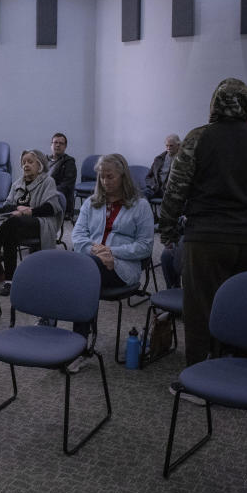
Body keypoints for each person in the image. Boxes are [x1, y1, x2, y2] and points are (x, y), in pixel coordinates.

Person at [159, 78, 247, 376]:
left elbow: (175, 190)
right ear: (246, 106)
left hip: (207, 239)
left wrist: (167, 229)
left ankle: (200, 376)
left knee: (201, 306)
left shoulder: (198, 138)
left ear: (214, 104)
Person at [70, 154, 154, 369]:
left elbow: (145, 247)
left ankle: (79, 345)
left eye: (110, 177)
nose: (105, 182)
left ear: (123, 176)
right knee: (78, 269)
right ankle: (72, 339)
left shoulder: (140, 205)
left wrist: (111, 252)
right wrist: (95, 251)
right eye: (101, 177)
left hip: (122, 268)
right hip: (92, 263)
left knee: (83, 274)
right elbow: (77, 236)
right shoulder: (91, 203)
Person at [0, 149, 63, 297]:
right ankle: (10, 281)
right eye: (23, 162)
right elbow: (6, 206)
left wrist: (29, 211)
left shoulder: (48, 181)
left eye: (30, 162)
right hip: (18, 224)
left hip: (41, 223)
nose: (26, 165)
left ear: (40, 165)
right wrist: (18, 208)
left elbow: (51, 208)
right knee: (11, 232)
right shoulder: (18, 183)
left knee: (13, 223)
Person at [142, 134, 181, 200]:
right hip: (155, 189)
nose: (168, 148)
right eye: (167, 146)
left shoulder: (182, 160)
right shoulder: (159, 159)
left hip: (170, 192)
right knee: (140, 197)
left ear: (178, 145)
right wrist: (152, 185)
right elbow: (148, 177)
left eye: (171, 145)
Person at [48, 133, 77, 215]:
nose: (58, 145)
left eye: (61, 143)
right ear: (51, 145)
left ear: (65, 146)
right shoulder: (45, 161)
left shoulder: (69, 162)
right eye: (55, 142)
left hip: (56, 197)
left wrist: (48, 192)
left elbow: (66, 185)